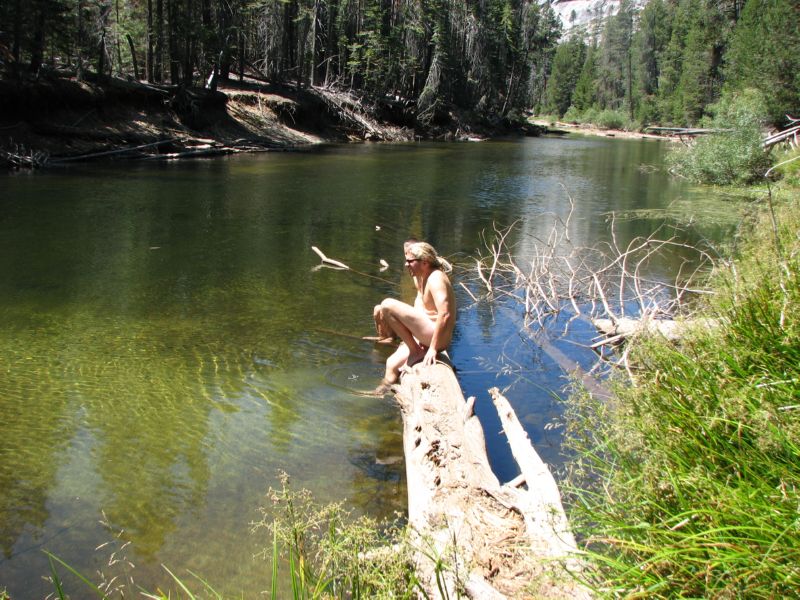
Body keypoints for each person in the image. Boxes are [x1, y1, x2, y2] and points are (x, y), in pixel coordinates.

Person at [374, 241, 456, 392]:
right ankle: (379, 393)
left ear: (424, 262)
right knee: (391, 363)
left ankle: (415, 351)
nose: (406, 265)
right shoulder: (422, 275)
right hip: (425, 334)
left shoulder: (436, 278)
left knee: (387, 305)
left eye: (410, 261)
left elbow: (445, 314)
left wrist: (432, 349)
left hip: (435, 337)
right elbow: (420, 307)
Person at [371, 237, 419, 344]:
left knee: (386, 306)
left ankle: (393, 339)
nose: (407, 256)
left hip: (418, 323)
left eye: (410, 253)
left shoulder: (422, 272)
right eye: (405, 253)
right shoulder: (411, 271)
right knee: (377, 309)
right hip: (410, 316)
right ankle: (384, 336)